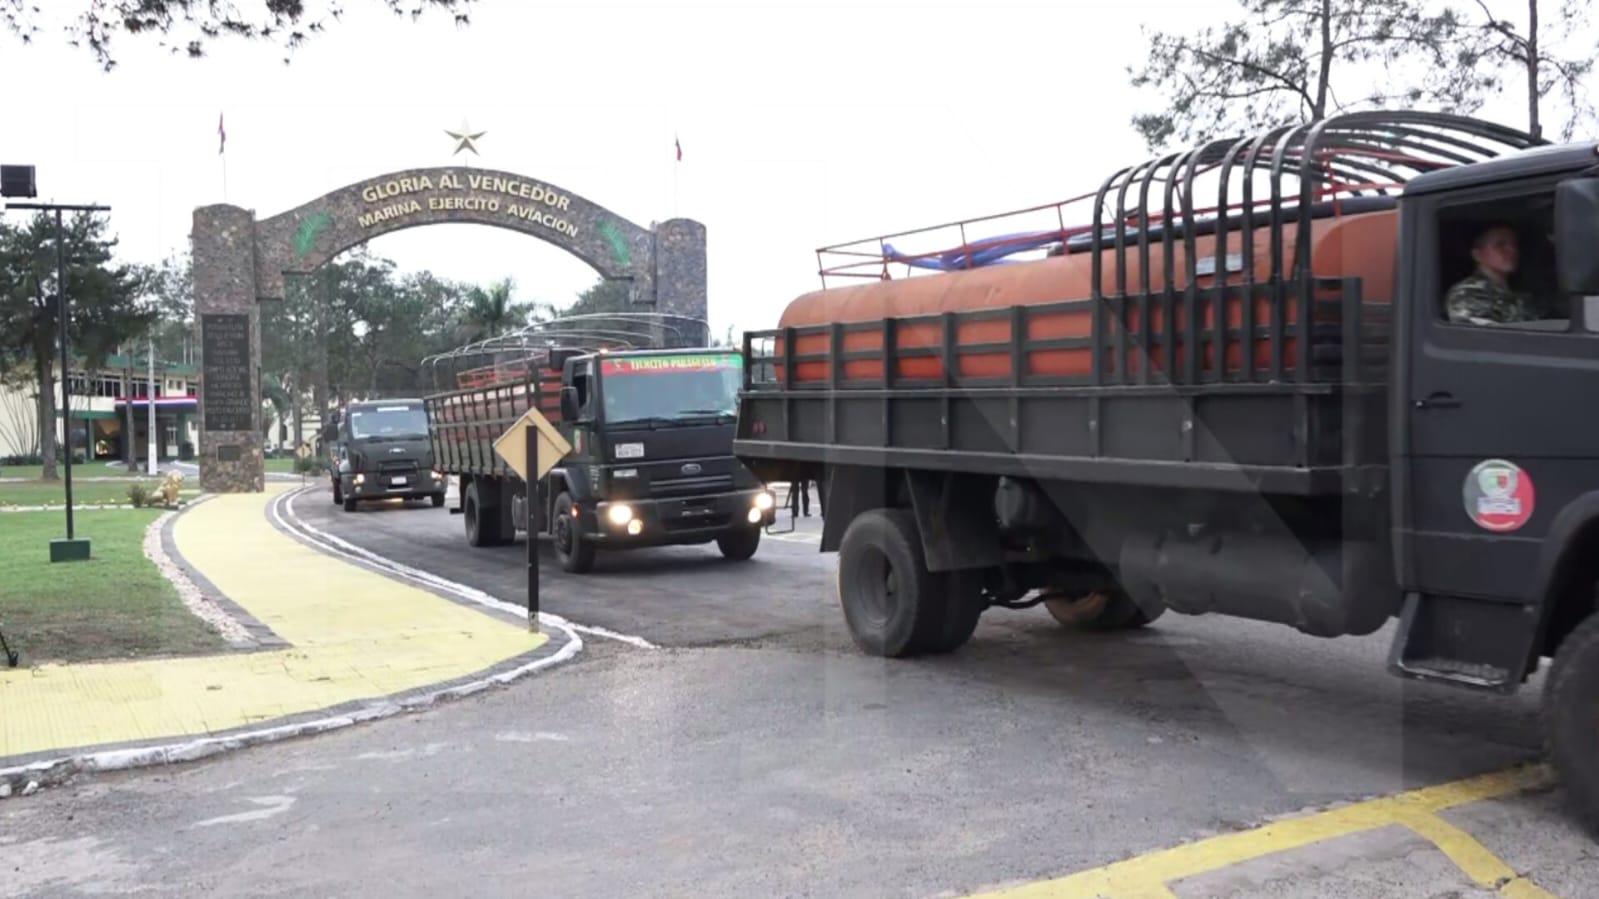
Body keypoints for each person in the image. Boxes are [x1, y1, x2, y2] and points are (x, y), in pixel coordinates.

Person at [1444, 224, 1542, 325]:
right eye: (1500, 245)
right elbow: (1488, 338)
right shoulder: (1467, 294)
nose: (1512, 250)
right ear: (1477, 254)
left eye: (1514, 244)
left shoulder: (1524, 295)